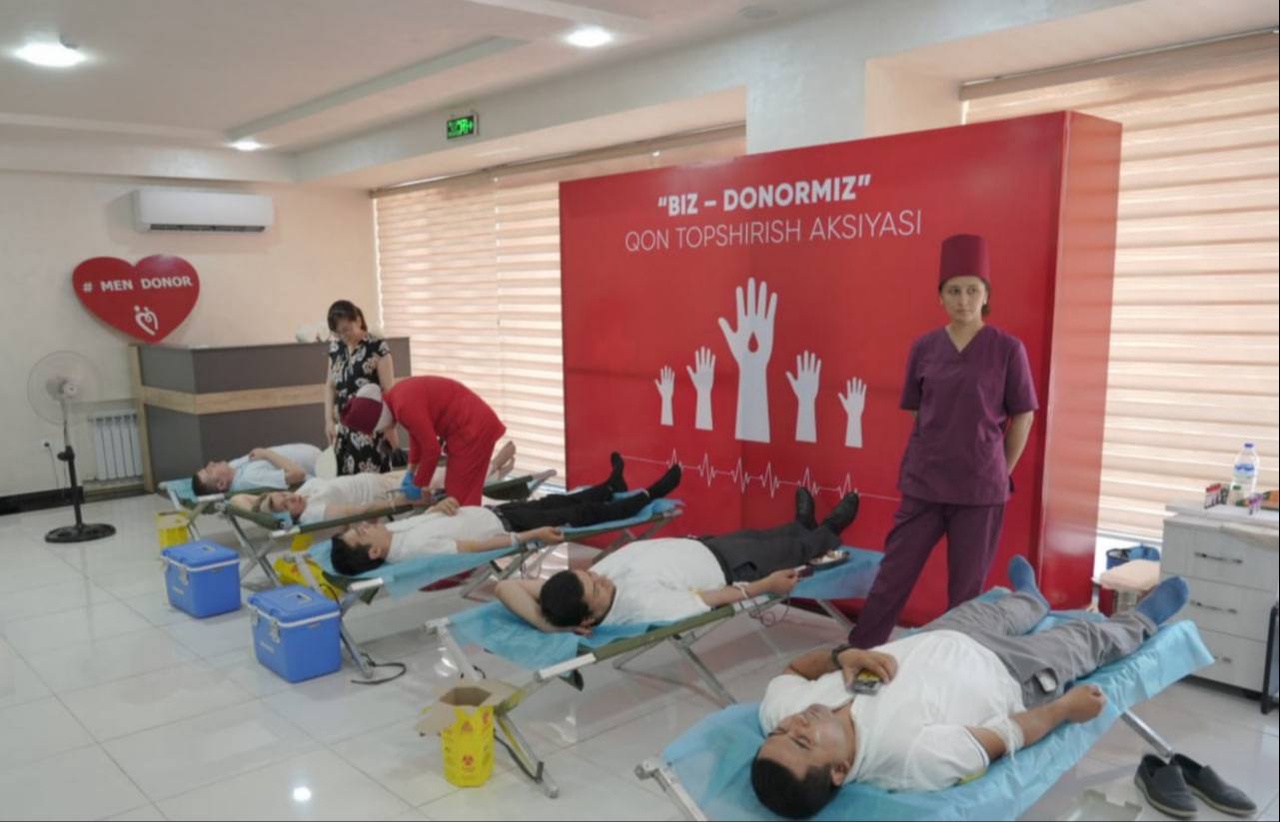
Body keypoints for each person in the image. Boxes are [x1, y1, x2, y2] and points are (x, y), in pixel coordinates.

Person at [749, 557, 1191, 819]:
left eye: (783, 731)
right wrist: (1064, 710)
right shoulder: (912, 759)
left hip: (940, 636)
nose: (796, 724)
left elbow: (793, 670)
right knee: (1084, 640)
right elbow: (1006, 734)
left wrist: (841, 656)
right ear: (839, 771)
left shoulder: (780, 714)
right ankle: (1143, 619)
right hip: (1013, 674)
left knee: (1007, 611)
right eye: (803, 740)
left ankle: (1032, 598)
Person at [848, 233, 1039, 650]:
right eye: (953, 291)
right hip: (925, 482)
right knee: (893, 575)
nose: (963, 300)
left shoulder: (1008, 349)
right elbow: (919, 410)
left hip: (979, 491)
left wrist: (996, 470)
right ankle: (860, 650)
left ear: (986, 295)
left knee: (966, 593)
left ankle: (951, 664)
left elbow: (1023, 415)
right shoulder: (925, 347)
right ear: (940, 297)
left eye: (972, 290)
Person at [494, 488, 861, 633]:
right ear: (588, 618)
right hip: (730, 567)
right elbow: (706, 599)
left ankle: (801, 525)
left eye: (590, 576)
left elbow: (505, 586)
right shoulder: (640, 607)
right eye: (597, 589)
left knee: (767, 535)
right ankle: (829, 530)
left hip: (704, 546)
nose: (601, 579)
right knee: (788, 550)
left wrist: (548, 625)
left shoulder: (571, 593)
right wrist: (765, 586)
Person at [329, 454, 683, 575]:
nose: (364, 526)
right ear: (374, 552)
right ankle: (648, 496)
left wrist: (439, 507)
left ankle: (612, 484)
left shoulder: (397, 534)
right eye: (361, 533)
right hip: (512, 525)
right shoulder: (411, 551)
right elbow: (472, 548)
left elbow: (434, 520)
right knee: (581, 513)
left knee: (559, 500)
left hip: (497, 512)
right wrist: (529, 537)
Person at [239, 441, 523, 525]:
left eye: (283, 496)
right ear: (288, 517)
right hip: (389, 491)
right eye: (286, 506)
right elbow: (359, 510)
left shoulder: (303, 493)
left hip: (381, 478)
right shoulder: (314, 513)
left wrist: (259, 504)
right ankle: (496, 465)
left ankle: (496, 469)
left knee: (445, 471)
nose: (290, 498)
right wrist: (405, 499)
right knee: (450, 478)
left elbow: (242, 500)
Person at [341, 377, 506, 506]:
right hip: (471, 424)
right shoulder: (397, 397)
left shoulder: (403, 406)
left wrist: (419, 484)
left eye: (380, 430)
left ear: (380, 419)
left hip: (472, 428)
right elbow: (417, 436)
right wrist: (411, 471)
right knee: (463, 493)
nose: (384, 433)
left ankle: (469, 534)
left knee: (459, 496)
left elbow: (432, 450)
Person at [324, 300, 398, 475]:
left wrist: (390, 429)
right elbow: (330, 386)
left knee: (369, 484)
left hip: (370, 431)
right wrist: (328, 421)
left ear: (357, 320)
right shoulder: (335, 348)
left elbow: (389, 392)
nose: (344, 336)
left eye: (347, 329)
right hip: (343, 430)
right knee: (344, 483)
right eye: (338, 332)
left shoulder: (377, 347)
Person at [191, 443, 321, 495]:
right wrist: (266, 453)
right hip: (321, 469)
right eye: (209, 471)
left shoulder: (232, 469)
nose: (211, 463)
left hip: (318, 458)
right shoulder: (250, 478)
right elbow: (298, 474)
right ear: (221, 484)